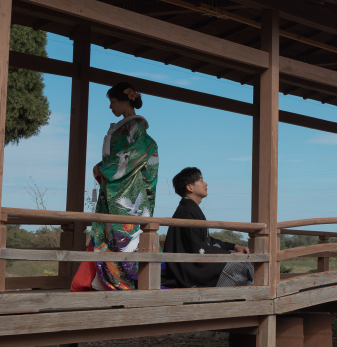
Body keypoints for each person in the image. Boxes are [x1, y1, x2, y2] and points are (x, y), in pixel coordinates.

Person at [89, 82, 159, 290]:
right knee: (108, 233)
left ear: (123, 100)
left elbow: (136, 154)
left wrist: (105, 168)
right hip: (116, 186)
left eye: (112, 102)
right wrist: (103, 168)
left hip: (127, 189)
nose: (110, 107)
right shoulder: (123, 128)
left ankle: (128, 283)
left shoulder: (138, 130)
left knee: (124, 236)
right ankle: (108, 281)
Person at [162, 167, 253, 288]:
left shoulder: (190, 208)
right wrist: (229, 255)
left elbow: (207, 241)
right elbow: (197, 247)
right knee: (240, 266)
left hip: (194, 263)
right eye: (201, 180)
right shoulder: (186, 211)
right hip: (189, 271)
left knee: (240, 260)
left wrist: (235, 247)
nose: (206, 184)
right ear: (190, 187)